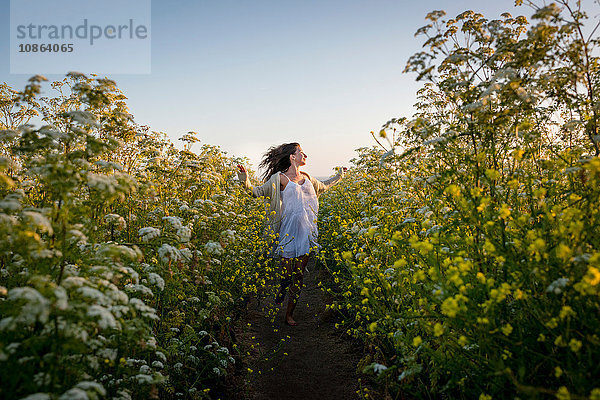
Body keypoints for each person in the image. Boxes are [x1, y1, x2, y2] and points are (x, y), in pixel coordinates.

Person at [237, 143, 345, 325]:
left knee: (299, 275)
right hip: (288, 234)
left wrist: (340, 175)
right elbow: (254, 192)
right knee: (287, 276)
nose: (305, 155)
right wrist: (244, 178)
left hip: (307, 234)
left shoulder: (308, 177)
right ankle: (282, 287)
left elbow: (325, 186)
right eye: (301, 152)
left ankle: (289, 314)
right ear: (292, 157)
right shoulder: (279, 179)